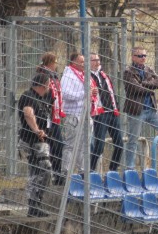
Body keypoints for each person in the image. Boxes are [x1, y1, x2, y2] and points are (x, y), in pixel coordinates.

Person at [60, 53, 101, 177]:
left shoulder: (84, 75)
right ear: (73, 63)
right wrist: (85, 93)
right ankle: (66, 172)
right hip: (73, 114)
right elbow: (66, 94)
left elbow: (88, 93)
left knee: (85, 144)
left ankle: (83, 170)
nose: (85, 64)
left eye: (85, 62)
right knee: (71, 144)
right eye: (82, 62)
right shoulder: (68, 76)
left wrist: (92, 93)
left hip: (85, 114)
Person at [18, 72, 53, 217]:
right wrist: (37, 130)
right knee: (43, 171)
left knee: (39, 172)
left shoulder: (41, 98)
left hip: (41, 143)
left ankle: (35, 205)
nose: (50, 86)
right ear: (43, 84)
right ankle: (34, 205)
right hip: (32, 142)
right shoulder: (28, 96)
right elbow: (28, 113)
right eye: (49, 83)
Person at [89, 53, 123, 172]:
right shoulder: (86, 76)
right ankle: (90, 170)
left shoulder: (104, 75)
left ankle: (112, 171)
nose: (97, 62)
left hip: (112, 112)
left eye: (98, 59)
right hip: (100, 114)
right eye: (93, 60)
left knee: (119, 144)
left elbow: (111, 91)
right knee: (99, 147)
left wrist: (116, 107)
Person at [36, 52, 66, 184]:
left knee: (57, 145)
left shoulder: (54, 76)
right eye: (55, 62)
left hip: (55, 116)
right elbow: (43, 94)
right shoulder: (43, 76)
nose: (56, 65)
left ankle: (57, 174)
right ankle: (52, 174)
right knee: (54, 145)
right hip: (47, 117)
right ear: (49, 63)